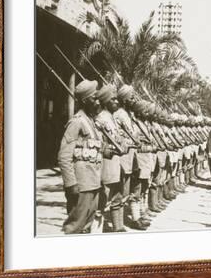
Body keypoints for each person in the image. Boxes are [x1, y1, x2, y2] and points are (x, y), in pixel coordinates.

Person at [57, 79, 106, 234]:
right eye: (94, 98)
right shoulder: (76, 123)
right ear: (85, 101)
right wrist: (71, 184)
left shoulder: (91, 122)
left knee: (87, 225)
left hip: (93, 181)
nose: (98, 101)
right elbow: (64, 156)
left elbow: (93, 147)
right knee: (74, 226)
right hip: (81, 184)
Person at [113, 84, 148, 230]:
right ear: (124, 99)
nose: (135, 100)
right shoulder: (119, 115)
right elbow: (115, 138)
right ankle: (117, 225)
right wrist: (132, 141)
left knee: (134, 189)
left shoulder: (130, 115)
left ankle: (135, 218)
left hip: (132, 159)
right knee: (120, 193)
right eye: (131, 97)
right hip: (122, 160)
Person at [95, 84, 128, 232]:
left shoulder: (112, 118)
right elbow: (97, 144)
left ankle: (118, 227)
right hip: (106, 165)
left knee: (118, 198)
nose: (116, 101)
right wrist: (110, 150)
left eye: (116, 98)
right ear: (105, 101)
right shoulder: (100, 119)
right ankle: (96, 231)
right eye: (112, 99)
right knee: (102, 202)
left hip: (116, 165)